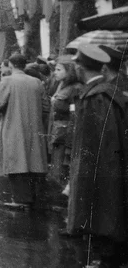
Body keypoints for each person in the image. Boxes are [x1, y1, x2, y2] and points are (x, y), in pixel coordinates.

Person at [66, 45, 128, 268]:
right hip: (106, 162)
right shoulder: (106, 91)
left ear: (80, 68)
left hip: (100, 165)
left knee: (103, 211)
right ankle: (110, 261)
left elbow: (102, 137)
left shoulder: (97, 96)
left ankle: (106, 264)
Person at [0, 54, 47, 209]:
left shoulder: (7, 81)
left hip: (14, 126)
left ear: (11, 65)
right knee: (33, 161)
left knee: (16, 161)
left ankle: (21, 199)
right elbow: (46, 106)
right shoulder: (36, 82)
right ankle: (32, 197)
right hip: (35, 128)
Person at [48, 58, 83, 192]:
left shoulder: (75, 89)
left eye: (59, 69)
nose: (55, 73)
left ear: (69, 71)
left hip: (66, 133)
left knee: (63, 168)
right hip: (58, 132)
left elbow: (75, 115)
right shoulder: (61, 85)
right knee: (57, 169)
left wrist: (70, 142)